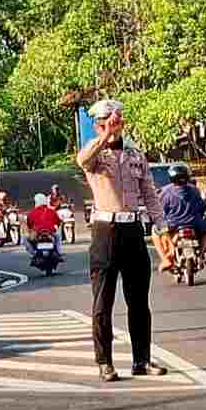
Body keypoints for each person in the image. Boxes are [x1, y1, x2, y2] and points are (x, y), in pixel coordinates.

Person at [77, 99, 169, 383]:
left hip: (133, 231)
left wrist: (162, 226)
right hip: (106, 231)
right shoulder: (94, 154)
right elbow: (83, 160)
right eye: (105, 123)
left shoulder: (135, 155)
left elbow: (149, 193)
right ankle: (104, 362)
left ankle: (142, 360)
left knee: (139, 302)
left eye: (116, 122)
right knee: (103, 303)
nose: (113, 127)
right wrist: (105, 136)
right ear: (97, 126)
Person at [158, 164, 206, 272]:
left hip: (173, 225)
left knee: (155, 231)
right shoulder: (194, 190)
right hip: (194, 223)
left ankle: (165, 260)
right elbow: (201, 207)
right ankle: (201, 255)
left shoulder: (165, 192)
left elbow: (161, 211)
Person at [25, 192, 63, 258]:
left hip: (37, 232)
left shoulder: (32, 212)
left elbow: (29, 224)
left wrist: (32, 229)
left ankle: (34, 253)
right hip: (50, 232)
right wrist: (55, 227)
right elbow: (58, 222)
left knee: (25, 239)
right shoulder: (52, 211)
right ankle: (59, 252)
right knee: (58, 236)